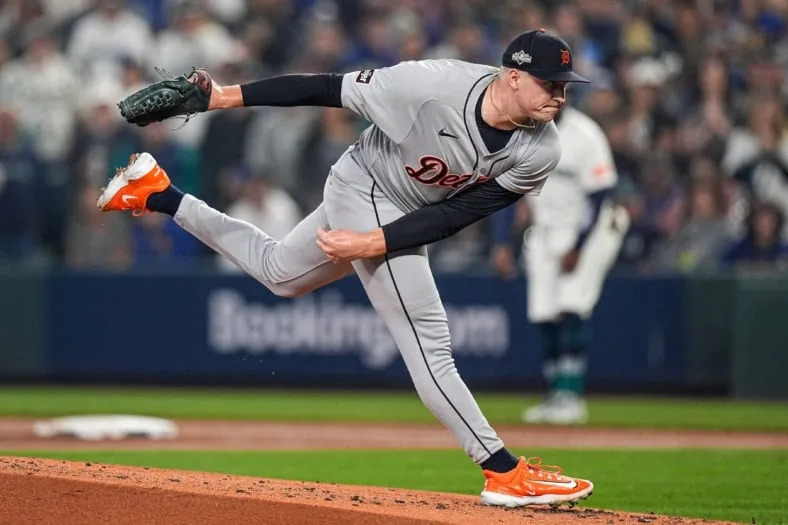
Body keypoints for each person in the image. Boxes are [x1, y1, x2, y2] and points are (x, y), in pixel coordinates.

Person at [97, 29, 594, 508]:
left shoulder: (542, 148)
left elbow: (458, 214)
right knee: (428, 339)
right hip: (364, 185)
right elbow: (324, 88)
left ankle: (157, 193)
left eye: (564, 86)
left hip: (401, 214)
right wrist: (221, 97)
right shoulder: (428, 86)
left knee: (279, 274)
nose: (559, 96)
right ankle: (502, 471)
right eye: (549, 83)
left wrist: (373, 241)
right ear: (512, 76)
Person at [491, 105, 629, 425]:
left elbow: (599, 196)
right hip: (544, 229)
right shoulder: (522, 133)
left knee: (571, 307)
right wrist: (502, 243)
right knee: (543, 314)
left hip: (588, 229)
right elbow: (506, 192)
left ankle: (571, 396)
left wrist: (578, 246)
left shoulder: (586, 134)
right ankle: (556, 394)